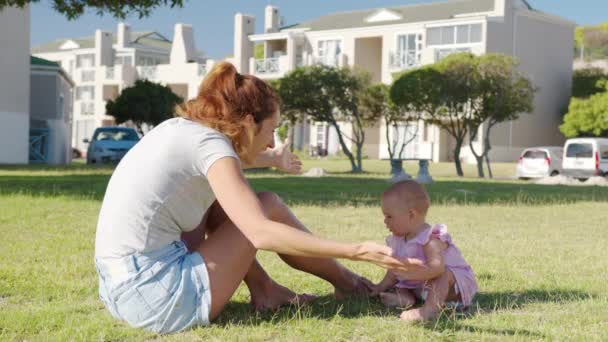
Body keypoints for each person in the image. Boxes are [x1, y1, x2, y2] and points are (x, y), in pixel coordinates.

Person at [94, 62, 415, 334]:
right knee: (266, 205)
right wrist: (356, 250)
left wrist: (272, 159)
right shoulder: (210, 146)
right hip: (157, 297)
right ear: (248, 122)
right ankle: (349, 284)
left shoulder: (183, 130)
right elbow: (260, 231)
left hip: (122, 289)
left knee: (222, 204)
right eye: (270, 130)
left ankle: (266, 290)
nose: (272, 139)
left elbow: (229, 162)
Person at [371, 180, 478, 321]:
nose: (385, 221)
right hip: (424, 286)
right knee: (402, 282)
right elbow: (393, 271)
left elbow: (437, 268)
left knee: (443, 273)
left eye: (389, 216)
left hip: (453, 289)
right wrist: (380, 287)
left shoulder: (431, 238)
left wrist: (412, 273)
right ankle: (404, 299)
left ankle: (429, 311)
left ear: (411, 215)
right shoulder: (397, 240)